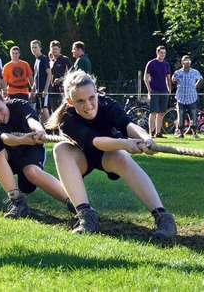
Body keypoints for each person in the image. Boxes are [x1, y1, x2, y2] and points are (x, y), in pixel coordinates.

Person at [47, 70, 176, 239]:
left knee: (122, 157)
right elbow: (93, 141)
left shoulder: (108, 104)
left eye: (92, 98)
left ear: (96, 91)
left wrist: (146, 138)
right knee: (60, 149)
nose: (88, 105)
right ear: (70, 101)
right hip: (82, 156)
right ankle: (86, 215)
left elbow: (128, 125)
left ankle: (163, 217)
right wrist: (125, 144)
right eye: (80, 101)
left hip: (109, 156)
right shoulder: (67, 117)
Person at [0, 86, 75, 218]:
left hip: (30, 149)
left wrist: (39, 130)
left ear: (4, 100)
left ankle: (76, 204)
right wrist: (21, 139)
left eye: (0, 110)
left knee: (31, 174)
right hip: (9, 155)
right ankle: (17, 202)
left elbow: (31, 120)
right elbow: (4, 138)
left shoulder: (19, 105)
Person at [172, 55, 203, 139]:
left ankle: (195, 134)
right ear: (182, 63)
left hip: (192, 97)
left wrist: (195, 86)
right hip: (180, 98)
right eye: (186, 62)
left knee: (193, 117)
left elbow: (200, 78)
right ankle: (181, 133)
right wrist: (179, 85)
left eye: (189, 62)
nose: (188, 63)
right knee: (181, 116)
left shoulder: (195, 72)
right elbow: (174, 80)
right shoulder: (178, 73)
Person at [143, 46, 171, 138]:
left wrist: (169, 89)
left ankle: (158, 133)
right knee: (153, 112)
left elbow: (168, 78)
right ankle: (151, 132)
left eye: (164, 53)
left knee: (161, 112)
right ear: (157, 53)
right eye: (161, 52)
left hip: (164, 91)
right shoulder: (151, 63)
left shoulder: (166, 64)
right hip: (154, 90)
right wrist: (149, 90)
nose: (163, 54)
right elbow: (146, 77)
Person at [30, 40, 52, 123]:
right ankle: (45, 129)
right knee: (40, 111)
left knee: (45, 109)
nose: (34, 49)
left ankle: (53, 128)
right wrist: (32, 91)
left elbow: (49, 74)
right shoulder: (36, 60)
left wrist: (46, 89)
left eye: (36, 47)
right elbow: (36, 77)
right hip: (38, 91)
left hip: (44, 90)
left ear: (40, 48)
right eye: (32, 47)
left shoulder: (44, 59)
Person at [48, 40, 72, 113]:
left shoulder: (65, 59)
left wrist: (62, 79)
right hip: (51, 92)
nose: (54, 51)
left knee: (63, 112)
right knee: (54, 113)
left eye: (56, 49)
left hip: (61, 92)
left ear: (59, 49)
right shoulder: (51, 62)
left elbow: (72, 73)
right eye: (52, 49)